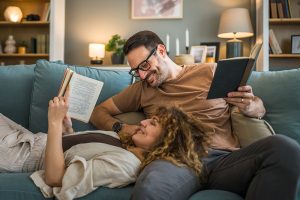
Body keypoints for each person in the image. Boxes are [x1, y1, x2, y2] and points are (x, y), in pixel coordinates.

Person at [90, 30, 300, 200]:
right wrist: (120, 128)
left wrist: (253, 107)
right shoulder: (142, 89)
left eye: (144, 65)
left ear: (161, 51)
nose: (143, 75)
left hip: (224, 160)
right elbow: (99, 111)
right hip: (175, 161)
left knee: (285, 148)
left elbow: (258, 107)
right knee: (150, 190)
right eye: (136, 70)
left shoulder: (210, 71)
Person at [0, 92, 210, 198]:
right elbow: (73, 152)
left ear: (167, 141)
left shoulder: (124, 166)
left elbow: (55, 178)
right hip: (29, 138)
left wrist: (54, 123)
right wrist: (66, 129)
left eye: (153, 123)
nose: (143, 121)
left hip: (21, 154)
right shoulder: (128, 144)